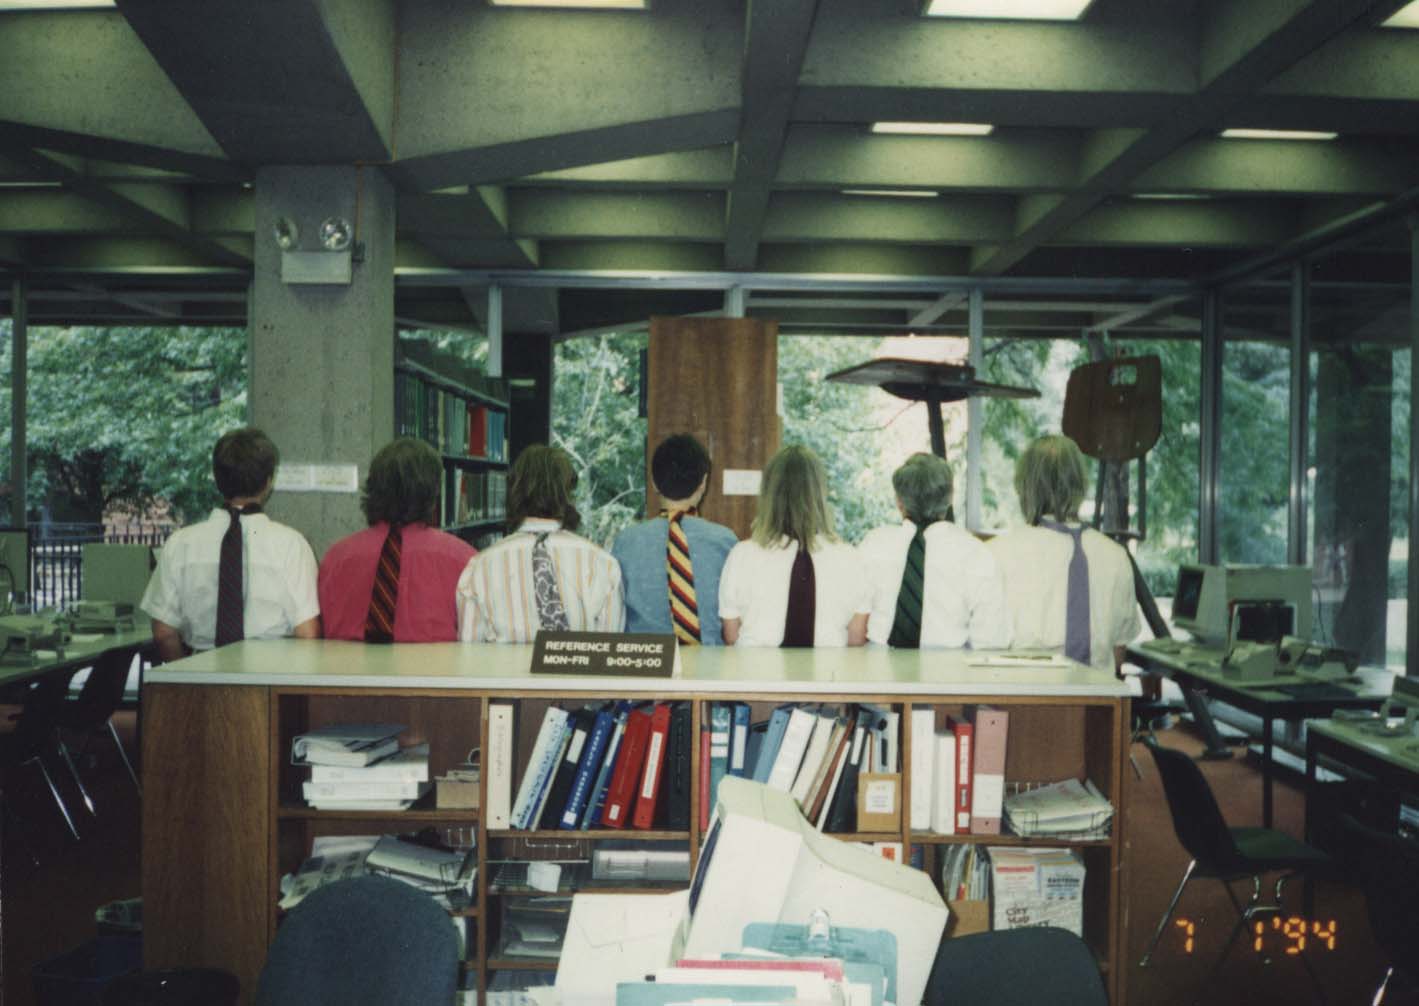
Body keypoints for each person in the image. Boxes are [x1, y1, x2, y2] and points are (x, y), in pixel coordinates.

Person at [141, 427, 320, 662]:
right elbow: (307, 634)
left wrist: (188, 676)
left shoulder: (179, 544)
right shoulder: (291, 545)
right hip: (270, 679)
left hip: (199, 678)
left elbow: (163, 633)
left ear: (216, 479)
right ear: (268, 482)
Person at [988, 434, 1140, 672]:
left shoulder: (994, 554)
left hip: (1015, 702)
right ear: (1080, 484)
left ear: (1024, 488)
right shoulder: (1116, 557)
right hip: (1097, 704)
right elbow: (1118, 652)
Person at [456, 444, 624, 642]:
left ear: (513, 493)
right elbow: (608, 656)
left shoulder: (479, 568)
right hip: (580, 673)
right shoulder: (603, 565)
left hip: (503, 673)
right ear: (568, 494)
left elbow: (470, 657)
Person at [318, 438, 476, 643]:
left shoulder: (336, 559)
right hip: (434, 672)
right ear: (433, 493)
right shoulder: (465, 561)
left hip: (347, 673)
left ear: (373, 488)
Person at [718, 445, 869, 647]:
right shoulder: (852, 558)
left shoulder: (741, 555)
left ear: (768, 495)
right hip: (828, 676)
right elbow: (856, 639)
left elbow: (731, 636)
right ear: (819, 494)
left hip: (755, 676)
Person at [860, 453, 1011, 650]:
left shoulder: (872, 545)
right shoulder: (976, 554)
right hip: (951, 675)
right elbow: (993, 640)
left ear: (899, 501)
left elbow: (852, 627)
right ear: (950, 498)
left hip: (875, 674)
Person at [611, 434, 738, 644]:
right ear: (703, 483)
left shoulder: (625, 542)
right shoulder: (726, 542)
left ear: (653, 482)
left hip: (644, 668)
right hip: (713, 670)